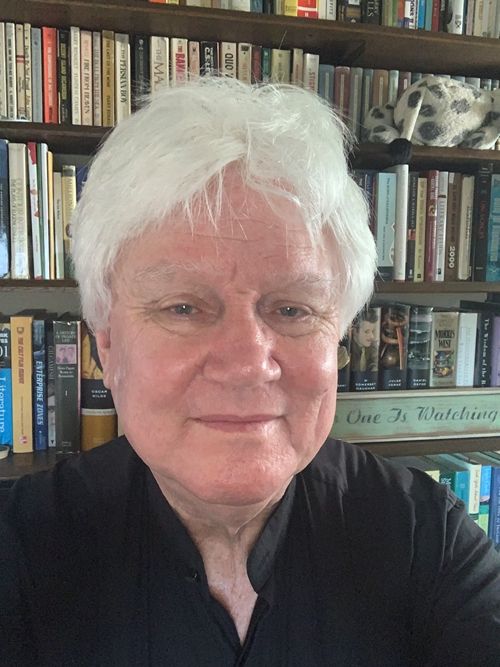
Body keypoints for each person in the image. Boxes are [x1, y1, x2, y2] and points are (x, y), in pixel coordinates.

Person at [0, 78, 499, 666]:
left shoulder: (430, 541)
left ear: (337, 336)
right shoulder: (17, 551)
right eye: (182, 308)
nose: (246, 364)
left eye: (292, 310)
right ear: (106, 348)